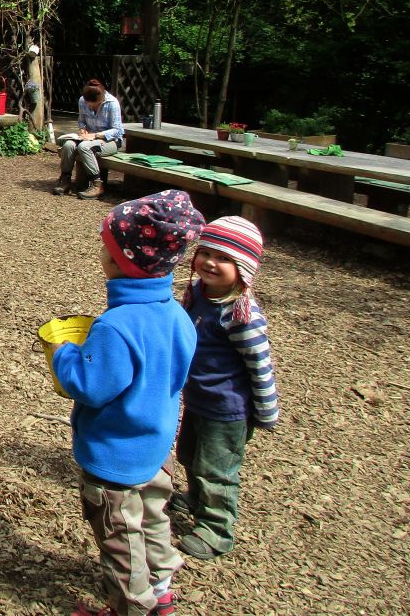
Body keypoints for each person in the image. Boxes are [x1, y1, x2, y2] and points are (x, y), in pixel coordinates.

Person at [48, 190, 205, 616]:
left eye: (106, 244)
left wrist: (65, 356)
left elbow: (91, 387)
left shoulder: (116, 326)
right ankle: (161, 586)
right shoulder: (176, 314)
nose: (101, 250)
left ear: (120, 260)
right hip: (155, 449)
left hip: (115, 455)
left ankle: (132, 606)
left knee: (120, 537)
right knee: (154, 519)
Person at [172, 216, 279, 560]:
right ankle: (195, 497)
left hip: (227, 410)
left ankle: (218, 528)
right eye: (205, 252)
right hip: (199, 400)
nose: (210, 262)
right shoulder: (199, 295)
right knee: (189, 454)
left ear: (244, 268)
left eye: (223, 258)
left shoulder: (241, 315)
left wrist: (266, 410)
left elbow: (260, 365)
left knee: (216, 469)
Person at [54, 78, 124, 200]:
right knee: (68, 145)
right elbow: (81, 121)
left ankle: (97, 184)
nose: (90, 106)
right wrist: (82, 130)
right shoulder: (82, 101)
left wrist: (96, 135)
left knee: (84, 147)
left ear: (101, 98)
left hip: (110, 141)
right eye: (88, 103)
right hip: (88, 138)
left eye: (93, 103)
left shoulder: (112, 103)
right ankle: (65, 180)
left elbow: (118, 130)